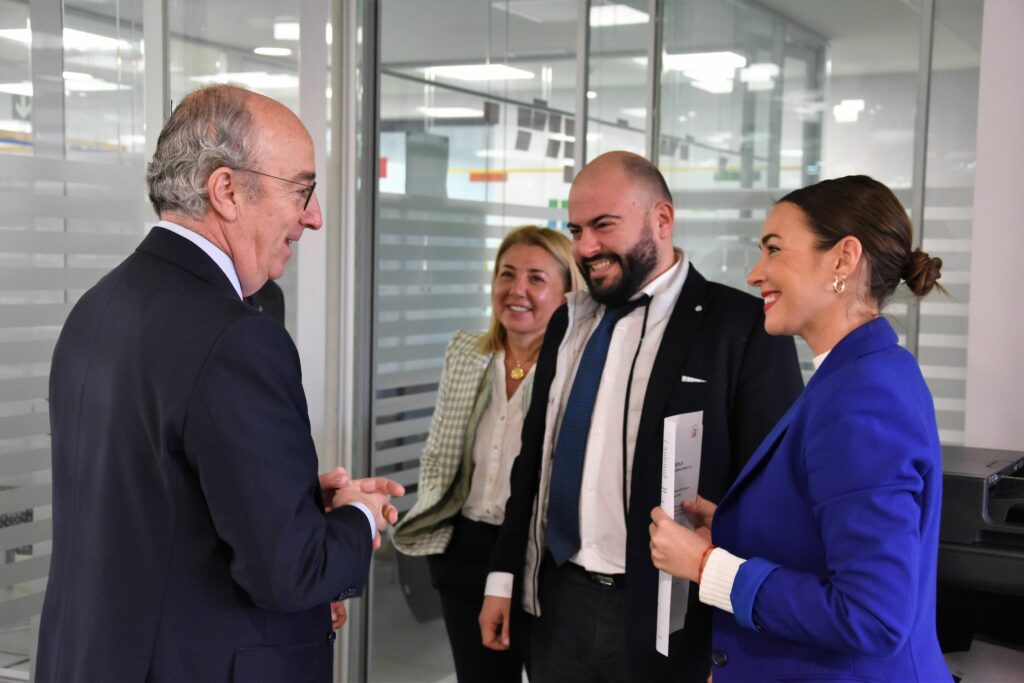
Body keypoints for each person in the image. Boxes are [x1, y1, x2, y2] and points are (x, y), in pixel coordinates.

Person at [37, 85, 403, 683]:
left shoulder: (97, 309)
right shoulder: (237, 338)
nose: (313, 216)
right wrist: (360, 516)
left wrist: (290, 499)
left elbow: (148, 497)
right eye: (302, 189)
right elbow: (289, 572)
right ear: (227, 191)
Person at [479, 151, 804, 682]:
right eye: (576, 229)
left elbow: (772, 501)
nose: (585, 248)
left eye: (604, 226)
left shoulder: (740, 327)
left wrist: (734, 644)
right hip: (557, 601)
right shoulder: (567, 321)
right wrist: (502, 576)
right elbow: (534, 460)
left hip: (670, 618)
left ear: (662, 219)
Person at [648, 175, 951, 681]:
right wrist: (734, 526)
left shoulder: (861, 396)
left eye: (774, 250)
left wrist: (708, 568)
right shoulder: (863, 371)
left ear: (842, 259)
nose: (754, 273)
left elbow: (873, 615)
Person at [393, 225, 582, 682]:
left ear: (566, 294)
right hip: (466, 548)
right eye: (506, 274)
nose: (517, 289)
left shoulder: (576, 368)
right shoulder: (466, 354)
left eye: (537, 278)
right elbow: (439, 452)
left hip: (538, 553)